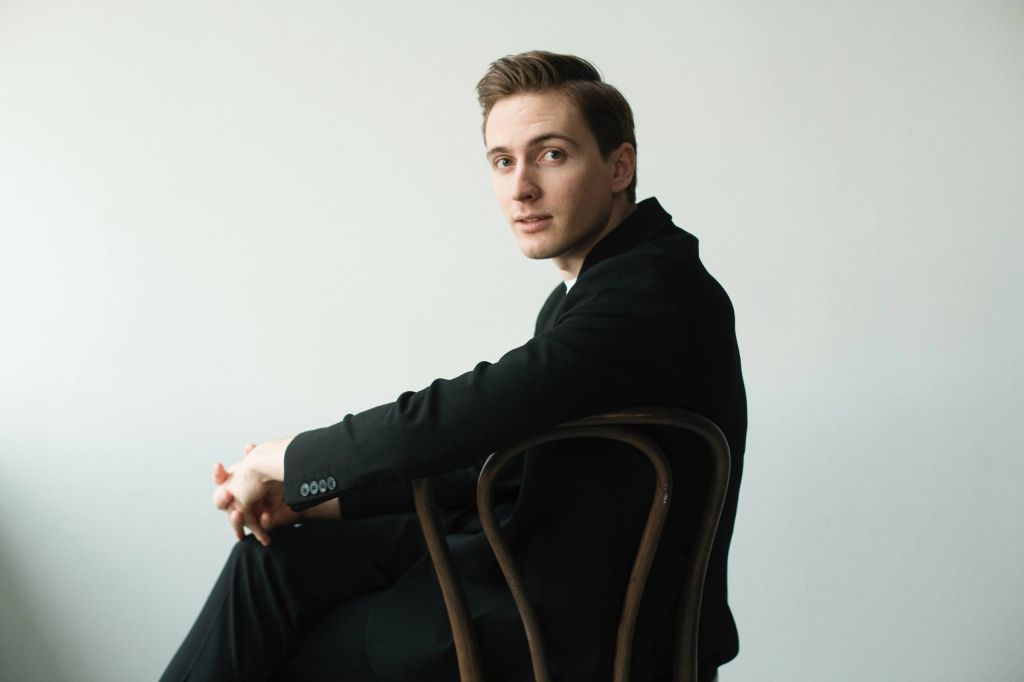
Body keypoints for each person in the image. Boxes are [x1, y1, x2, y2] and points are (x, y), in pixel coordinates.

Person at [162, 50, 746, 682]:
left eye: (552, 155)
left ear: (618, 166)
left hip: (574, 629)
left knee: (297, 652)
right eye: (503, 161)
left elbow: (456, 419)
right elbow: (504, 463)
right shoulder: (600, 286)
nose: (521, 187)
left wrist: (283, 459)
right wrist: (312, 500)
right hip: (529, 565)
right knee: (271, 562)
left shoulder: (648, 292)